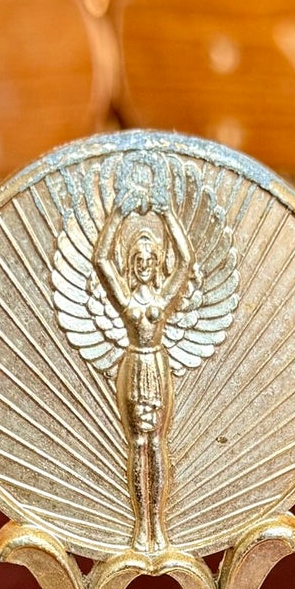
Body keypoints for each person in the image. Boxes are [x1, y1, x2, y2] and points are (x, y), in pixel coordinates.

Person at [93, 201, 194, 552]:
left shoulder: (163, 299)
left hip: (156, 367)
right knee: (139, 445)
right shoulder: (126, 301)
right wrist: (117, 217)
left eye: (151, 260)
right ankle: (141, 526)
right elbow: (102, 261)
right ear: (133, 263)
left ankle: (159, 525)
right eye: (140, 259)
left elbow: (184, 262)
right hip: (135, 367)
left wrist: (168, 215)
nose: (146, 265)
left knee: (157, 445)